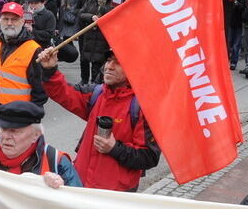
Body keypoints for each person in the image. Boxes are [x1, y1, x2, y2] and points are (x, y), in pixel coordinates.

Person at [38, 46, 160, 191]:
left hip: (114, 196)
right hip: (80, 184)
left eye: (117, 62)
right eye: (108, 60)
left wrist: (115, 148)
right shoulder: (96, 94)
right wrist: (50, 70)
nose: (109, 66)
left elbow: (149, 156)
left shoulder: (141, 107)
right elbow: (63, 93)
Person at [0, 100, 82, 188]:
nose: (6, 137)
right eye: (3, 129)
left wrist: (61, 189)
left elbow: (78, 204)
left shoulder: (56, 161)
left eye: (15, 131)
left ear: (36, 135)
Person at [0, 2, 46, 140]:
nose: (9, 23)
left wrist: (31, 119)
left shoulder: (34, 49)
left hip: (15, 117)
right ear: (0, 20)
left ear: (22, 21)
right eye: (6, 19)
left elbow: (40, 91)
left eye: (14, 19)